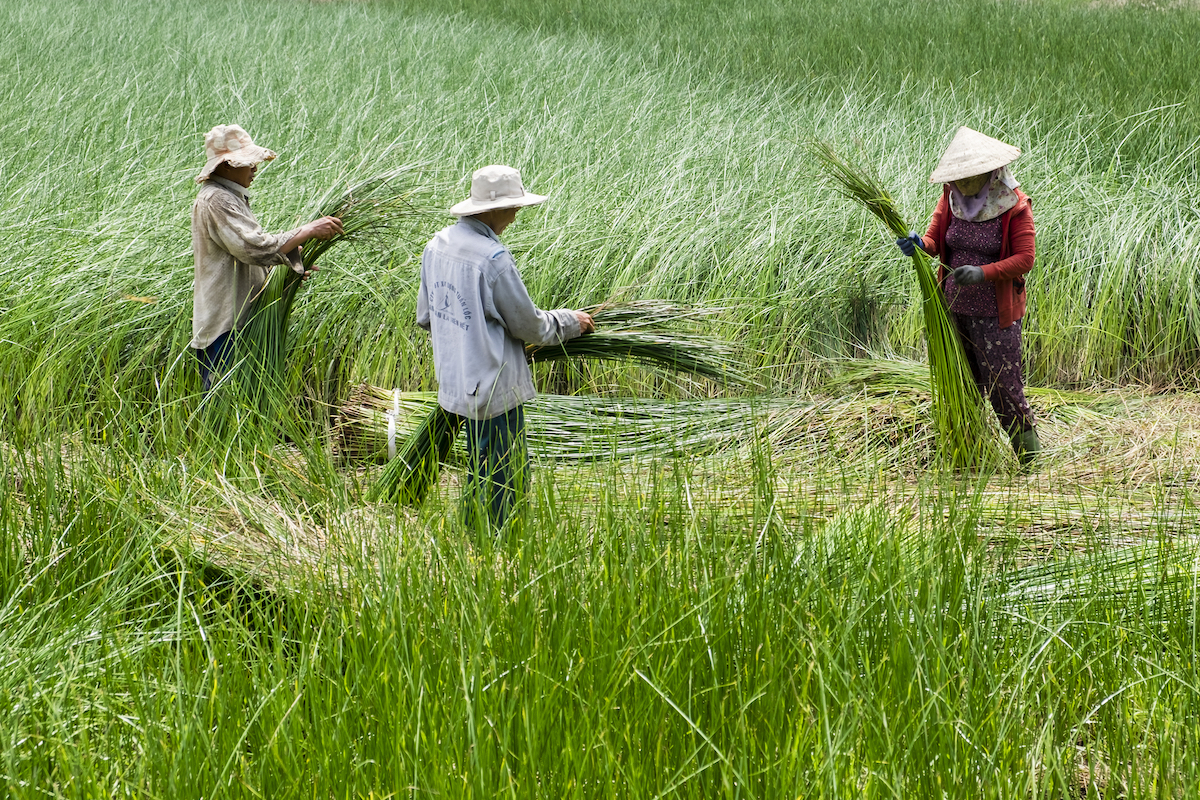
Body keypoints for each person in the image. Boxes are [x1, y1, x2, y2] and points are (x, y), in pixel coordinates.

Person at [417, 164, 595, 531]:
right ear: (492, 209)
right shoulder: (492, 259)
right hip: (493, 385)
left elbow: (426, 315)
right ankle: (496, 545)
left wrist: (473, 335)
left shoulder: (437, 245)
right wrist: (570, 322)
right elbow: (529, 325)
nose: (516, 214)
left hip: (456, 379)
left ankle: (471, 533)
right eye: (514, 206)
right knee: (504, 473)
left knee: (479, 463)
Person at [896, 126, 1042, 464]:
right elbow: (935, 241)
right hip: (954, 309)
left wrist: (983, 274)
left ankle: (1030, 463)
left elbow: (1026, 258)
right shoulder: (950, 199)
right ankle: (968, 453)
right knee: (962, 382)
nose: (961, 184)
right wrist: (918, 244)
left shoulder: (1013, 205)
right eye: (957, 177)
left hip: (995, 314)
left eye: (969, 177)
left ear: (989, 172)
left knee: (1003, 387)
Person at [190, 124, 343, 392]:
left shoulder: (230, 197)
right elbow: (252, 248)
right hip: (225, 328)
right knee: (227, 409)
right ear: (225, 166)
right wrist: (306, 231)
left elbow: (247, 257)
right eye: (247, 162)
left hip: (240, 322)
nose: (254, 168)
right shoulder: (216, 200)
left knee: (246, 405)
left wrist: (288, 268)